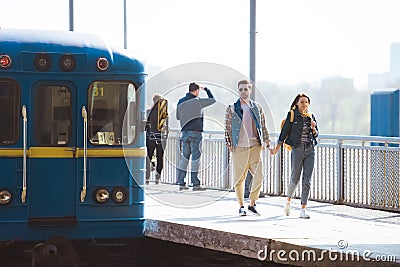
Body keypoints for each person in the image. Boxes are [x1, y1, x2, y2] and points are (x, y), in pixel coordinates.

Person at [224, 79, 271, 216]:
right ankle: (241, 206)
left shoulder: (256, 107)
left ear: (250, 90)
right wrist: (229, 143)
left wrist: (267, 141)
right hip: (239, 148)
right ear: (238, 91)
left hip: (255, 146)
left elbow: (263, 126)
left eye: (246, 89)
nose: (243, 91)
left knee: (259, 175)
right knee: (239, 179)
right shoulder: (232, 108)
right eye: (241, 89)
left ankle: (252, 203)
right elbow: (227, 127)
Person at [270, 93, 319, 219]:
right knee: (295, 178)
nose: (304, 104)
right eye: (302, 102)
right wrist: (277, 148)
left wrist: (313, 128)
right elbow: (284, 132)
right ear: (297, 103)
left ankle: (303, 209)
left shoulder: (311, 116)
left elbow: (316, 134)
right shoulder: (292, 115)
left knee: (307, 180)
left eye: (306, 102)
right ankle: (288, 200)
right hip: (297, 149)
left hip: (310, 149)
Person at [176, 82, 216, 191]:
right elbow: (213, 100)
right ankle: (195, 184)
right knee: (195, 159)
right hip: (196, 133)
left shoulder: (180, 101)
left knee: (184, 159)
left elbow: (177, 117)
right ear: (197, 91)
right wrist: (206, 89)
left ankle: (181, 182)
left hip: (184, 133)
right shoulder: (198, 101)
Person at [145, 93, 168, 185]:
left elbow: (145, 126)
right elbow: (166, 127)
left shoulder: (148, 112)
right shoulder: (164, 115)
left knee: (149, 156)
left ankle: (147, 177)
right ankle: (157, 178)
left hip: (150, 137)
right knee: (160, 157)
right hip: (161, 138)